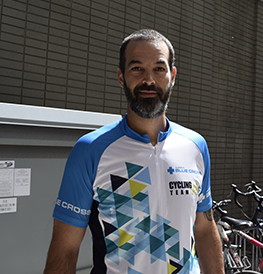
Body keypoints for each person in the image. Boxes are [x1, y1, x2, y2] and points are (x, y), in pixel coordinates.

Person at [44, 29, 224, 274]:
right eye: (137, 68)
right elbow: (65, 249)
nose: (148, 80)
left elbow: (204, 228)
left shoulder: (195, 146)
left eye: (159, 69)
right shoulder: (90, 150)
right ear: (121, 77)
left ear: (172, 76)